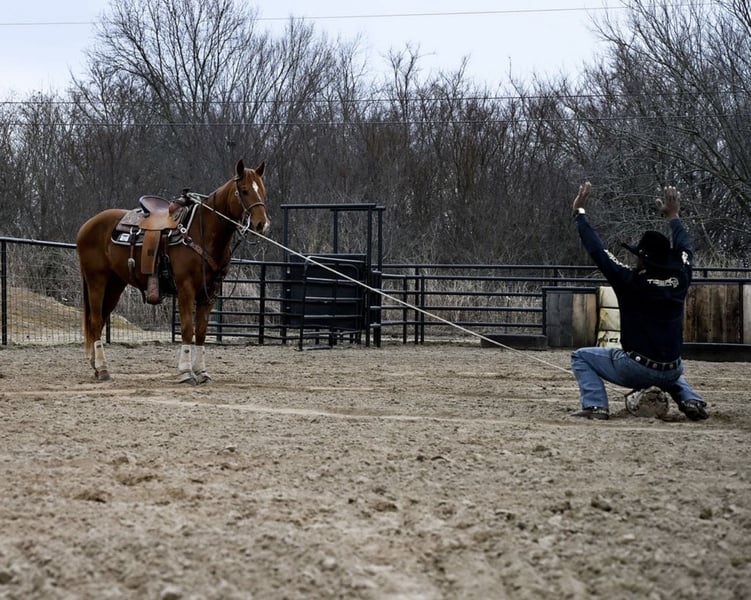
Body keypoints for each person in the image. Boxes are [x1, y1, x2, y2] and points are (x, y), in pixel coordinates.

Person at [569, 181, 708, 421]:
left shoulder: (630, 281)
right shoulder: (681, 277)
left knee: (581, 356)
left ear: (643, 260)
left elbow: (599, 252)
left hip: (637, 367)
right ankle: (689, 398)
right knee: (667, 368)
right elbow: (686, 249)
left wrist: (579, 213)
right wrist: (673, 216)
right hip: (672, 368)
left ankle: (595, 406)